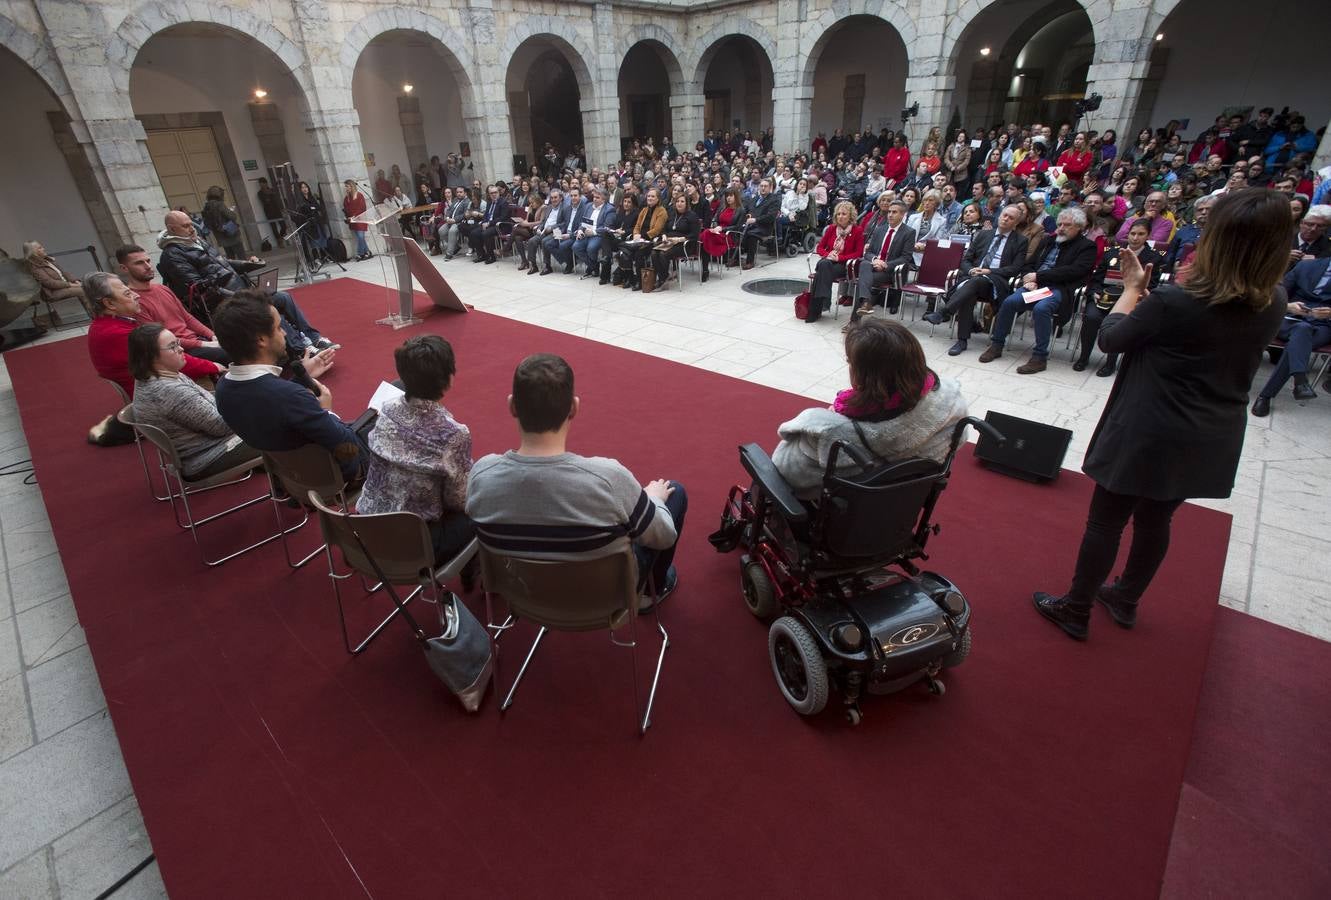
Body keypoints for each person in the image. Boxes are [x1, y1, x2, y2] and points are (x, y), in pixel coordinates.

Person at [1032, 189, 1290, 640]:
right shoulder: (1274, 299)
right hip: (1211, 430)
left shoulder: (1177, 300)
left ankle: (1076, 608)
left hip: (1151, 426)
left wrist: (1132, 292)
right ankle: (1126, 598)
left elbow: (1111, 338)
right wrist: (1150, 305)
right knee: (1157, 519)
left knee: (1106, 520)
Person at [466, 354, 685, 608]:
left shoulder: (482, 475)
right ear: (574, 407)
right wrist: (655, 500)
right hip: (604, 597)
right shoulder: (609, 478)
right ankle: (647, 594)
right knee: (674, 493)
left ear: (512, 406)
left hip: (523, 591)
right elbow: (664, 536)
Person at [771, 318, 968, 497]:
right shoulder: (950, 405)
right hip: (895, 508)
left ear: (867, 375)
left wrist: (837, 420)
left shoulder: (829, 431)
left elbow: (785, 469)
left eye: (850, 362)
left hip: (837, 516)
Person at [212, 291, 367, 482]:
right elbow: (347, 453)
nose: (285, 333)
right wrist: (327, 412)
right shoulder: (290, 397)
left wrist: (303, 377)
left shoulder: (223, 389)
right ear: (261, 340)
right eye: (278, 327)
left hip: (291, 478)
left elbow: (273, 405)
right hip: (333, 476)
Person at [357, 336, 474, 564]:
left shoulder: (387, 409)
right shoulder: (453, 433)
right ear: (448, 380)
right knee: (485, 507)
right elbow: (458, 501)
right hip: (415, 544)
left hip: (366, 528)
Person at [156, 211, 332, 354]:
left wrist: (247, 264)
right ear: (172, 229)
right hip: (221, 301)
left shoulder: (197, 241)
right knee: (265, 307)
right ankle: (301, 348)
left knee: (283, 297)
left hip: (240, 290)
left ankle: (313, 337)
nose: (191, 229)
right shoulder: (172, 254)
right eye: (185, 226)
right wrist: (237, 294)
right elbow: (199, 286)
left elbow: (223, 262)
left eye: (191, 224)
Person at [128, 323, 259, 478]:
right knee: (280, 426)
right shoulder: (169, 391)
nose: (181, 349)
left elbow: (206, 402)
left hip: (205, 448)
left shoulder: (157, 376)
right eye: (172, 346)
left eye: (178, 343)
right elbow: (222, 427)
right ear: (150, 356)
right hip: (208, 457)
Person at [979, 207, 1097, 374]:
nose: (1061, 228)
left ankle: (1039, 357)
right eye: (1059, 224)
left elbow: (1074, 271)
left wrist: (1038, 277)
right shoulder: (1048, 241)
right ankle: (997, 344)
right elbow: (1028, 264)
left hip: (1058, 288)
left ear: (1079, 227)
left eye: (1067, 225)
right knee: (1010, 302)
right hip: (1036, 286)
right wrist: (1029, 278)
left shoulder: (1087, 247)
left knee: (1042, 309)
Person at [85, 271, 223, 398]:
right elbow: (173, 361)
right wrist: (214, 366)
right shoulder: (116, 333)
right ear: (109, 303)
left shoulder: (107, 325)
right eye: (127, 294)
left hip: (157, 384)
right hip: (160, 394)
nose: (137, 295)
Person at [923, 204, 1029, 356]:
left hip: (995, 282)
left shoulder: (1020, 241)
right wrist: (971, 270)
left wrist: (988, 271)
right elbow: (966, 259)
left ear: (1016, 223)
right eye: (1004, 215)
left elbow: (1015, 268)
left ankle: (944, 312)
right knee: (970, 293)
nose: (1005, 219)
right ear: (999, 216)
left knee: (976, 282)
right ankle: (962, 340)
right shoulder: (984, 235)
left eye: (1011, 218)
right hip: (972, 278)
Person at [1073, 219, 1164, 376]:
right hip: (1104, 298)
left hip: (1130, 301)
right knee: (1091, 317)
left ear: (1148, 235)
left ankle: (1110, 363)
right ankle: (1084, 356)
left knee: (1120, 324)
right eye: (1133, 233)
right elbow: (1096, 278)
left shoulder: (1153, 258)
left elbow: (1152, 285)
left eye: (1141, 234)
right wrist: (1094, 291)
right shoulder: (1112, 253)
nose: (1135, 238)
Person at [117, 244, 229, 365]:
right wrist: (204, 344)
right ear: (124, 268)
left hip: (196, 340)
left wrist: (212, 335)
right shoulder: (133, 300)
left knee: (243, 342)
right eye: (139, 263)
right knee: (234, 354)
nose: (148, 266)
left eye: (148, 261)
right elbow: (159, 339)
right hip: (177, 350)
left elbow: (187, 318)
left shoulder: (163, 289)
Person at [1251, 255, 1331, 415]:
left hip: (1323, 326)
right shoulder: (1307, 265)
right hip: (1289, 319)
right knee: (1301, 330)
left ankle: (1274, 393)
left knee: (1301, 335)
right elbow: (1274, 294)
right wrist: (1288, 306)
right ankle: (1290, 386)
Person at [850, 199, 915, 326]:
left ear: (902, 215)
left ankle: (855, 321)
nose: (890, 214)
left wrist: (886, 264)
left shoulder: (909, 232)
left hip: (889, 271)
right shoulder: (880, 229)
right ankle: (865, 303)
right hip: (873, 266)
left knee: (863, 280)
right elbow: (868, 253)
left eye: (894, 212)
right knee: (864, 264)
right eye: (889, 212)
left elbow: (906, 257)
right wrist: (876, 260)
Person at [806, 201, 864, 324]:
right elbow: (820, 247)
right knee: (824, 264)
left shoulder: (857, 231)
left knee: (820, 272)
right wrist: (828, 254)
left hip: (844, 265)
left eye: (844, 214)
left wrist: (839, 258)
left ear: (850, 216)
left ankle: (815, 311)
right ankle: (825, 301)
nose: (840, 217)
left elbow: (858, 253)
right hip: (828, 262)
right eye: (838, 214)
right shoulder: (832, 229)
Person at [22, 240, 90, 321]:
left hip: (65, 286)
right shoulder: (34, 267)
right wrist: (73, 285)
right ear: (33, 252)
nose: (43, 248)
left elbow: (64, 273)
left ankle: (99, 313)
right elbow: (50, 283)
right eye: (40, 248)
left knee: (89, 286)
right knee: (82, 291)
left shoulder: (48, 260)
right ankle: (96, 316)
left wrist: (75, 281)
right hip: (52, 293)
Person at [651, 193, 700, 289]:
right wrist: (664, 235)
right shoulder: (672, 214)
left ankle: (662, 279)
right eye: (677, 201)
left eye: (682, 201)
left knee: (662, 254)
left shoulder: (692, 216)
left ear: (687, 203)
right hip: (669, 242)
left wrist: (679, 239)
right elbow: (664, 228)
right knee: (653, 253)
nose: (679, 204)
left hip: (684, 244)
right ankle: (663, 276)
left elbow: (694, 235)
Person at [739, 179, 781, 269]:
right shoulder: (755, 198)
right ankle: (736, 258)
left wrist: (755, 220)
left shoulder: (774, 200)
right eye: (761, 186)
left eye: (765, 186)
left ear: (770, 188)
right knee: (737, 230)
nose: (763, 188)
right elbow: (748, 210)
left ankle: (750, 261)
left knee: (751, 234)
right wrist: (746, 216)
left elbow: (770, 217)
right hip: (751, 225)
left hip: (765, 227)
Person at [289, 181, 330, 265]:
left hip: (317, 221)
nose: (305, 189)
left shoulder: (311, 197)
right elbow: (306, 209)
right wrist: (312, 208)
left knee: (322, 238)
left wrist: (312, 208)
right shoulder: (300, 200)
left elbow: (317, 207)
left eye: (306, 187)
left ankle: (324, 256)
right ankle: (316, 258)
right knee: (314, 241)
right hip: (309, 224)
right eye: (303, 188)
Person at [202, 185, 245, 259]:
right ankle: (246, 270)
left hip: (220, 235)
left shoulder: (207, 207)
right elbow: (232, 216)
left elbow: (207, 222)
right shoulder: (219, 204)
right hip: (231, 233)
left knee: (230, 256)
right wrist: (231, 211)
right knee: (241, 255)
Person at [342, 180, 372, 261]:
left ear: (352, 186)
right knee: (360, 238)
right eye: (345, 186)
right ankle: (368, 252)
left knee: (360, 236)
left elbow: (362, 208)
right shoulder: (346, 198)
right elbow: (346, 208)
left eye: (347, 186)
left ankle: (360, 253)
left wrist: (354, 216)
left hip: (360, 219)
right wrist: (347, 217)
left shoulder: (359, 196)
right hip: (352, 221)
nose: (346, 188)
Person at [256, 177, 287, 247]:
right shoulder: (260, 193)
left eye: (262, 184)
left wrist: (282, 208)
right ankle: (279, 241)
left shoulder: (272, 190)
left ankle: (281, 237)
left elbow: (277, 199)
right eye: (260, 184)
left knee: (283, 226)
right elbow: (265, 201)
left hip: (277, 210)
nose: (261, 185)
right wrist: (268, 194)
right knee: (274, 228)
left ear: (266, 183)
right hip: (269, 212)